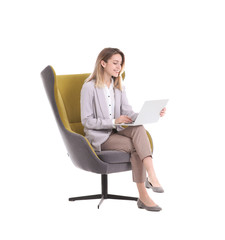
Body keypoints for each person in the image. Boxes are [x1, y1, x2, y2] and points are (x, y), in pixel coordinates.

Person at [80, 47, 166, 212]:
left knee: (139, 127)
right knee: (136, 147)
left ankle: (152, 176)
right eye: (115, 63)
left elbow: (128, 113)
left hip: (117, 131)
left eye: (120, 63)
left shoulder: (118, 85)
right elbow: (87, 121)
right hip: (101, 137)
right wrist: (113, 121)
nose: (119, 67)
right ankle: (144, 196)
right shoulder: (89, 87)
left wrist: (151, 113)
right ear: (103, 63)